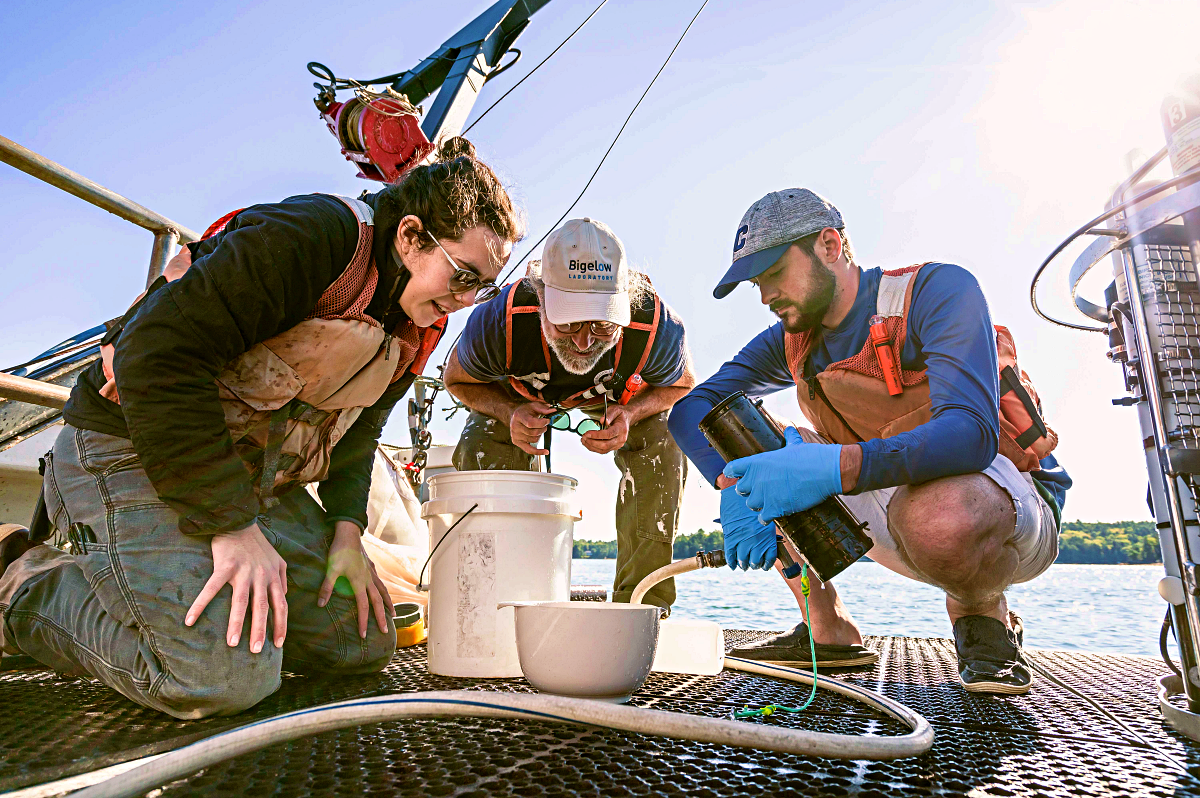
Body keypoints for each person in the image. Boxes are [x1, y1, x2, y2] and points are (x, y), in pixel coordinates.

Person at [0, 137, 523, 718]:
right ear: (409, 237)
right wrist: (232, 527)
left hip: (242, 475)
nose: (465, 300)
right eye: (462, 275)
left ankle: (185, 593)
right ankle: (25, 587)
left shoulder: (415, 322)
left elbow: (360, 429)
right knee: (215, 678)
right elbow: (155, 354)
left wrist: (348, 530)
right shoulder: (315, 237)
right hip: (132, 451)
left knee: (361, 639)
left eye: (482, 288)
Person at [668, 189, 1071, 694]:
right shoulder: (791, 338)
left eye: (773, 273)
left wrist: (828, 468)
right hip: (892, 499)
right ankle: (827, 626)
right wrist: (732, 479)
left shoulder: (936, 291)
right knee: (753, 444)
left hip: (1005, 506)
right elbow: (689, 410)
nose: (765, 295)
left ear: (830, 246)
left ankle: (981, 616)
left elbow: (970, 435)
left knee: (937, 516)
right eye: (757, 283)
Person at [442, 218, 695, 610]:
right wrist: (509, 411)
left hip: (614, 398)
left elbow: (682, 385)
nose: (583, 341)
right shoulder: (497, 321)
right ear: (539, 297)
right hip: (519, 397)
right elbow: (457, 379)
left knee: (665, 436)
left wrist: (631, 414)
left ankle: (643, 607)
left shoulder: (657, 326)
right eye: (568, 322)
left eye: (601, 324)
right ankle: (494, 603)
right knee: (482, 443)